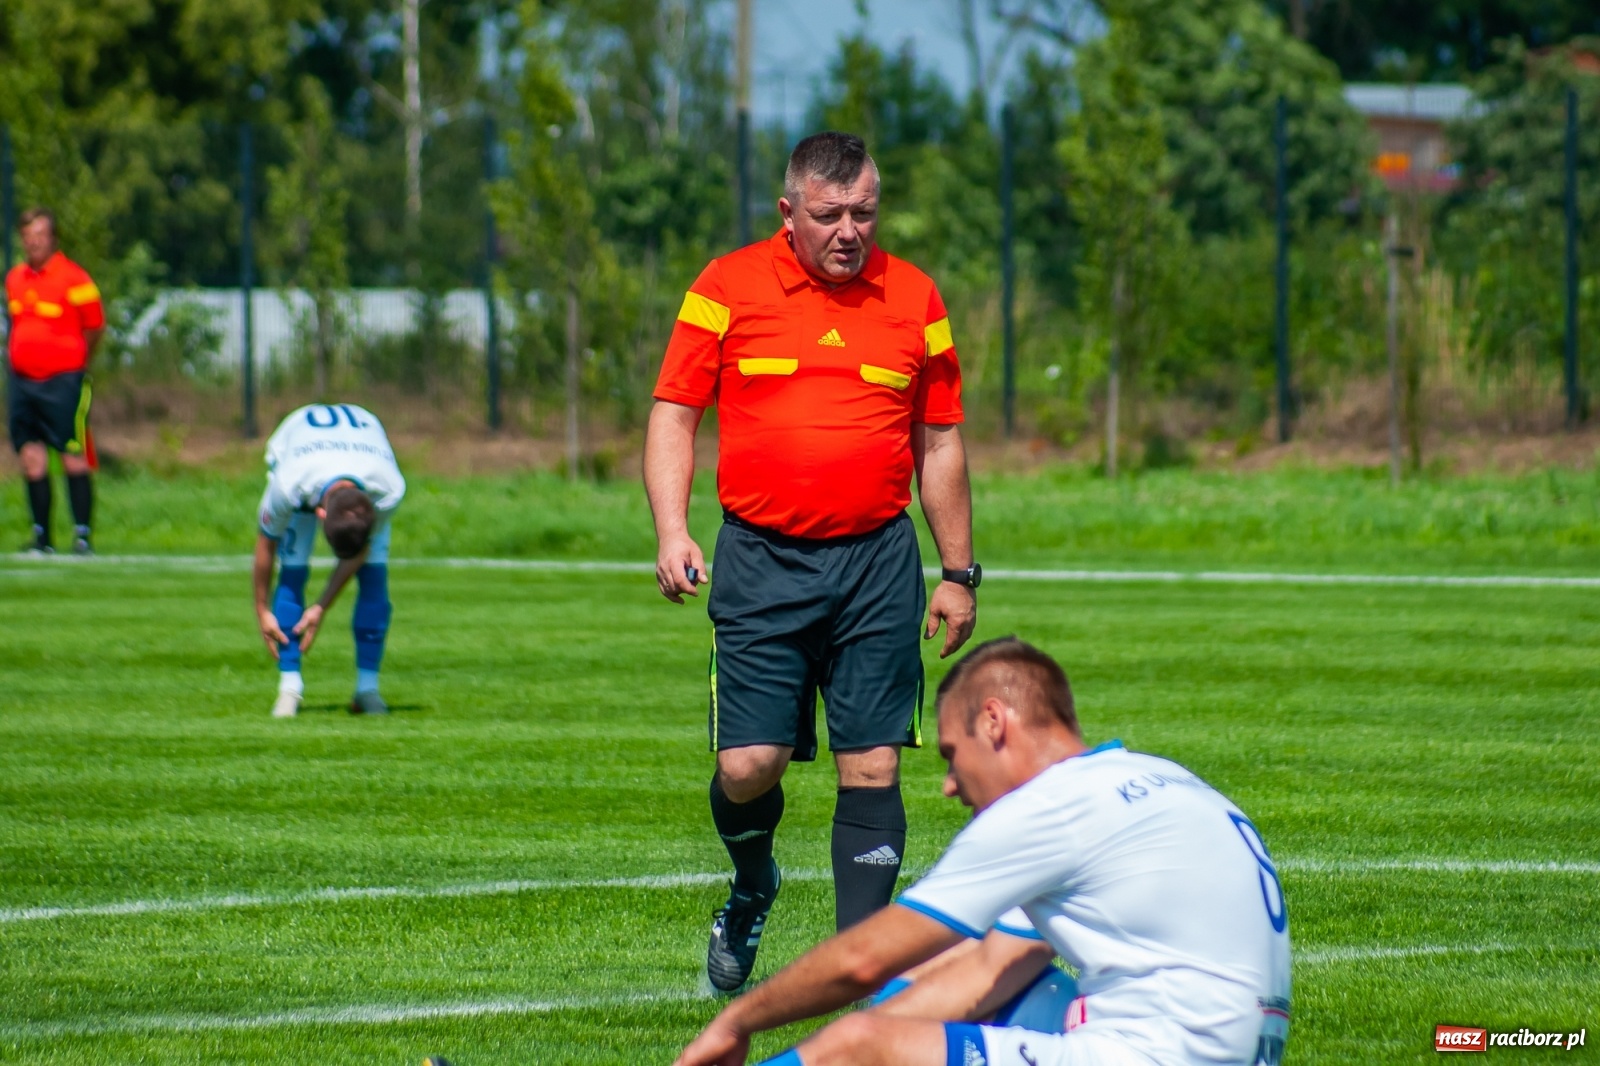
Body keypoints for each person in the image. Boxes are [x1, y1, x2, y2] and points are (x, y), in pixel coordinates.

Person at [644, 131, 982, 992]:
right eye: (829, 214)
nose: (848, 231)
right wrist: (672, 531)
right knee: (747, 767)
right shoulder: (724, 288)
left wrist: (957, 571)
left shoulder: (915, 297)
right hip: (760, 560)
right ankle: (753, 883)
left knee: (872, 764)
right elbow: (676, 411)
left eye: (864, 213)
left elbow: (938, 437)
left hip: (877, 563)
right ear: (787, 212)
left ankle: (858, 979)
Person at [674, 637, 1293, 1066]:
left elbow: (864, 960)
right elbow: (991, 965)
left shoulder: (1050, 806)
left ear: (994, 722)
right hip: (1233, 1050)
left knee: (859, 1043)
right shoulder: (1158, 779)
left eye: (950, 754)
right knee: (946, 986)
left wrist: (738, 1022)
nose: (949, 785)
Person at [251, 402, 406, 718]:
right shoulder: (288, 485)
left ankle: (367, 689)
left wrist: (321, 606)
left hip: (360, 448)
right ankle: (289, 687)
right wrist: (262, 610)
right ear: (320, 515)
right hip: (298, 449)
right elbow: (267, 543)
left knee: (374, 577)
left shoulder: (388, 490)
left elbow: (361, 551)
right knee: (292, 569)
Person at [5, 208, 105, 554]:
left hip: (63, 382)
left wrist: (75, 360)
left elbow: (95, 326)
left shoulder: (74, 278)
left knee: (72, 454)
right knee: (31, 456)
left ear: (53, 239)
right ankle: (42, 537)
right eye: (28, 235)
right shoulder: (15, 278)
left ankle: (81, 535)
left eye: (40, 234)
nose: (33, 241)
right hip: (22, 381)